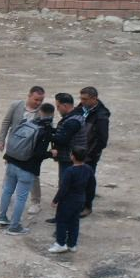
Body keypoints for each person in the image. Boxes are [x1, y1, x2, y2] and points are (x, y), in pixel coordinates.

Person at [0, 102, 56, 235]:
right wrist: (51, 153)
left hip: (12, 161)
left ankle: (2, 217)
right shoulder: (45, 130)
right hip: (27, 168)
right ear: (52, 114)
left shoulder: (27, 122)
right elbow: (38, 154)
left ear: (40, 112)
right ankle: (14, 227)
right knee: (21, 197)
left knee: (7, 191)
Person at [0, 85, 47, 200]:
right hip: (15, 146)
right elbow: (6, 122)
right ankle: (5, 196)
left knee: (33, 174)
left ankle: (36, 201)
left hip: (31, 149)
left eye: (41, 100)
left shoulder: (42, 112)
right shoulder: (17, 105)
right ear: (29, 96)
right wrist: (1, 140)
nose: (38, 102)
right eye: (36, 99)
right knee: (10, 171)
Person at [50, 149, 96, 255]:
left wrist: (55, 200)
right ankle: (72, 244)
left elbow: (63, 188)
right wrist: (88, 200)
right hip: (80, 199)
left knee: (61, 221)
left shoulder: (70, 171)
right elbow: (92, 186)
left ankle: (60, 244)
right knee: (75, 222)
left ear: (73, 157)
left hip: (68, 201)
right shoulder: (88, 169)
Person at [77, 86, 111, 216]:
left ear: (94, 99)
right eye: (81, 98)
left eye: (85, 99)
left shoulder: (101, 117)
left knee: (88, 179)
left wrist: (91, 154)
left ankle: (87, 206)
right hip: (79, 150)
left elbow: (102, 140)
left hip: (90, 154)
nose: (82, 101)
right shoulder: (82, 108)